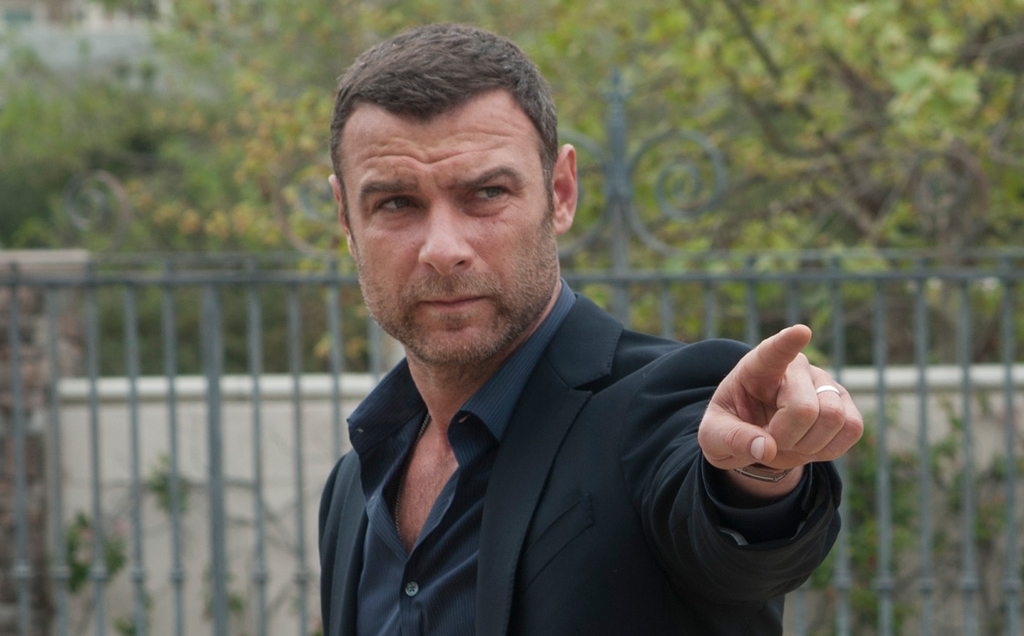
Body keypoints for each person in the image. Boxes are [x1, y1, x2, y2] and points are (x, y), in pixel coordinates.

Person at [318, 23, 863, 636]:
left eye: (487, 193)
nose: (443, 250)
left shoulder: (658, 405)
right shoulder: (353, 488)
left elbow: (728, 533)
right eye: (396, 203)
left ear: (560, 192)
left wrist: (758, 473)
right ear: (346, 217)